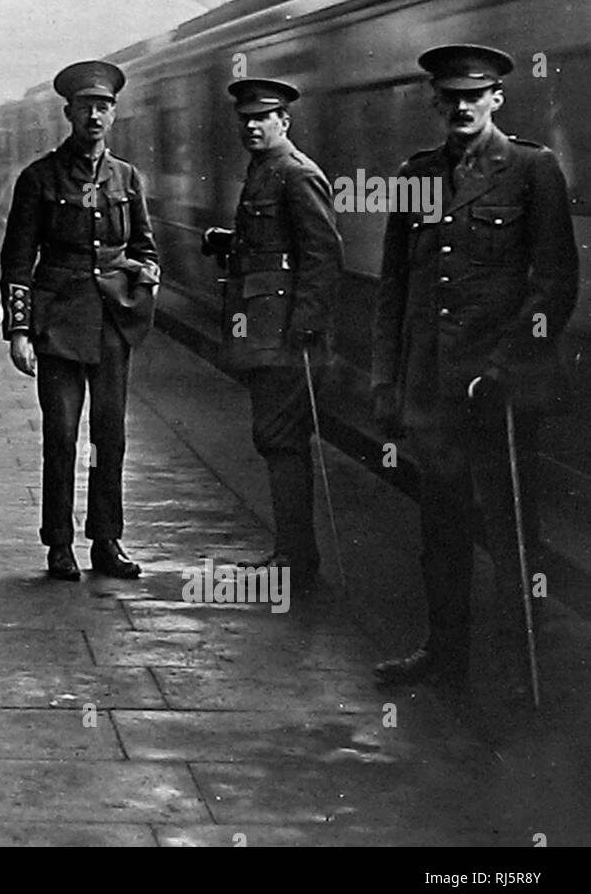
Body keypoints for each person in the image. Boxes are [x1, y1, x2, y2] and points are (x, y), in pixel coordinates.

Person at [371, 45, 578, 694]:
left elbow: (554, 285)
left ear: (496, 99)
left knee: (512, 534)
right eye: (449, 96)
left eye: (474, 94)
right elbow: (395, 288)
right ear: (434, 102)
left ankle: (522, 665)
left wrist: (500, 368)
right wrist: (389, 382)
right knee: (442, 531)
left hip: (500, 392)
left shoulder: (531, 170)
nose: (462, 106)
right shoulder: (417, 175)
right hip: (436, 392)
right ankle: (443, 653)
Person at [0, 60, 161, 582]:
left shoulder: (127, 178)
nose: (95, 115)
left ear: (114, 114)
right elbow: (18, 260)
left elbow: (145, 247)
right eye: (86, 106)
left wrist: (140, 284)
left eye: (104, 106)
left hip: (112, 322)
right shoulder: (39, 178)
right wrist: (20, 330)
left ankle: (107, 539)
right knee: (62, 434)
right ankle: (60, 543)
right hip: (58, 323)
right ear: (67, 113)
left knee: (109, 435)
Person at [201, 79, 344, 593]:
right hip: (266, 334)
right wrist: (231, 243)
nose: (252, 127)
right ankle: (293, 553)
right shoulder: (264, 172)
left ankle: (294, 559)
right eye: (246, 119)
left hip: (287, 338)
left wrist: (306, 327)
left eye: (264, 118)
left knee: (280, 440)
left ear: (285, 120)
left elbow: (324, 257)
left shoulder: (296, 174)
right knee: (275, 439)